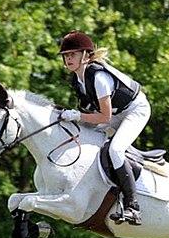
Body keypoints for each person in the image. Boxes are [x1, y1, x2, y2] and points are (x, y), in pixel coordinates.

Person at [58, 30, 151, 225]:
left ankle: (133, 206)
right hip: (116, 113)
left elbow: (104, 117)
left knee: (115, 149)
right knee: (89, 136)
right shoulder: (78, 80)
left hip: (135, 110)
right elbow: (92, 114)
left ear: (85, 55)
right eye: (66, 56)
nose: (68, 59)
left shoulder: (98, 77)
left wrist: (76, 116)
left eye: (72, 54)